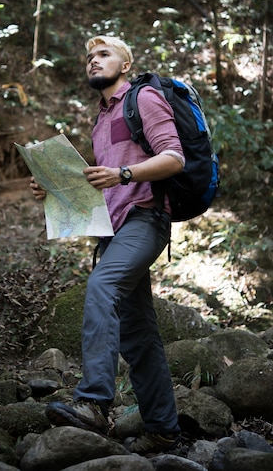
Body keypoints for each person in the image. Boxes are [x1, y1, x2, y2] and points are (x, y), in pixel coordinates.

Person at [30, 35, 184, 455]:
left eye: (103, 55)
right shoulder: (100, 121)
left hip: (146, 219)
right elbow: (102, 188)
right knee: (138, 334)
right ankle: (164, 428)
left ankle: (94, 402)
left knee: (102, 287)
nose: (93, 62)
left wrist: (125, 174)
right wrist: (53, 189)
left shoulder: (144, 98)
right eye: (89, 58)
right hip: (113, 230)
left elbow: (174, 157)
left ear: (125, 63)